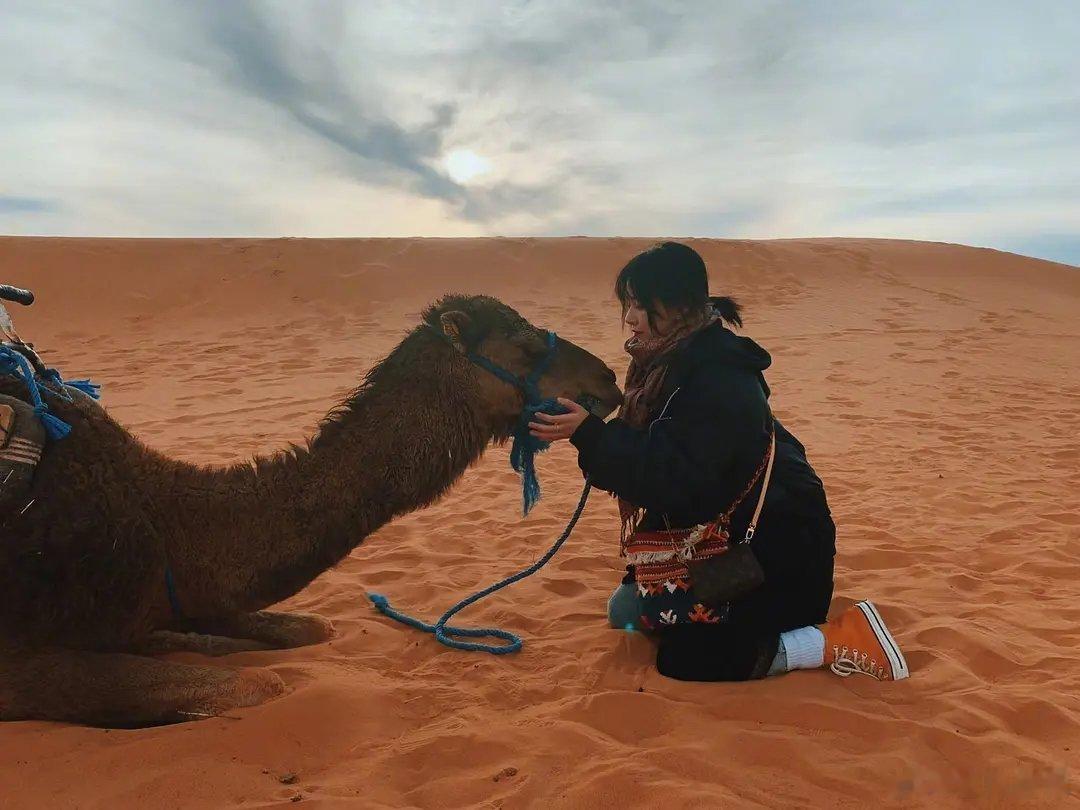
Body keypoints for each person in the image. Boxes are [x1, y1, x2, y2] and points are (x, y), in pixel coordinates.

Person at [530, 242, 908, 682]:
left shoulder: (718, 378)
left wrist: (590, 435)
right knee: (626, 611)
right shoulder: (671, 364)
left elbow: (672, 475)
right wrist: (592, 438)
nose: (630, 318)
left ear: (677, 306)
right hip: (725, 540)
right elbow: (661, 458)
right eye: (627, 305)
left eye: (640, 305)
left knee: (687, 659)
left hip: (777, 557)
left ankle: (838, 640)